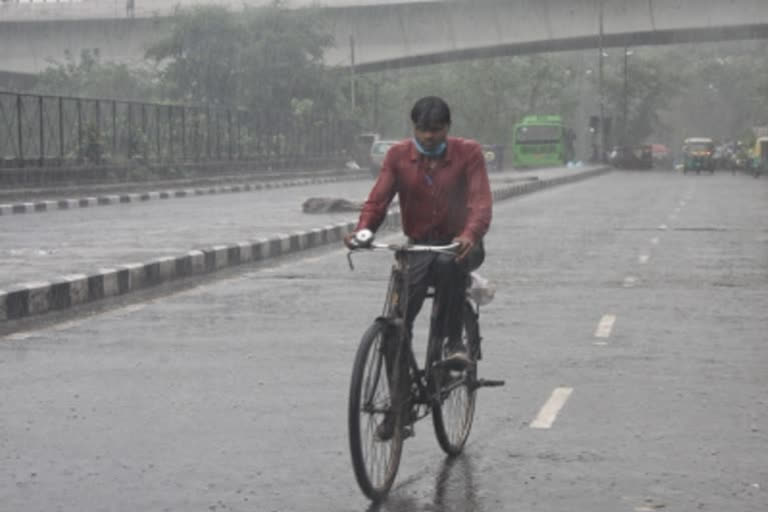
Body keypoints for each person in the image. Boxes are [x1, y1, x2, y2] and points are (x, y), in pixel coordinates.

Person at [344, 96, 493, 369]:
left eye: (435, 129)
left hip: (459, 244)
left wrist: (469, 234)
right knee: (398, 320)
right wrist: (362, 231)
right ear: (414, 128)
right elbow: (378, 201)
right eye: (422, 129)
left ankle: (453, 343)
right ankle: (399, 395)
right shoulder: (398, 156)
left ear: (447, 128)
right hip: (419, 245)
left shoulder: (468, 153)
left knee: (448, 265)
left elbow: (480, 203)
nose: (428, 136)